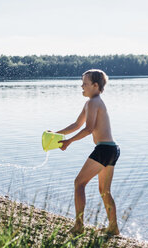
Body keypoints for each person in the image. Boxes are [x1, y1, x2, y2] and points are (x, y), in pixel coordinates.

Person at [55, 69, 120, 235]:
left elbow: (89, 129)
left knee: (79, 183)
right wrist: (57, 134)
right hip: (112, 149)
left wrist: (69, 142)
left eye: (85, 83)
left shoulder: (93, 102)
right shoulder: (91, 102)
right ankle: (113, 228)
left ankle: (78, 226)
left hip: (104, 149)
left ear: (95, 85)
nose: (81, 86)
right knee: (104, 191)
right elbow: (77, 125)